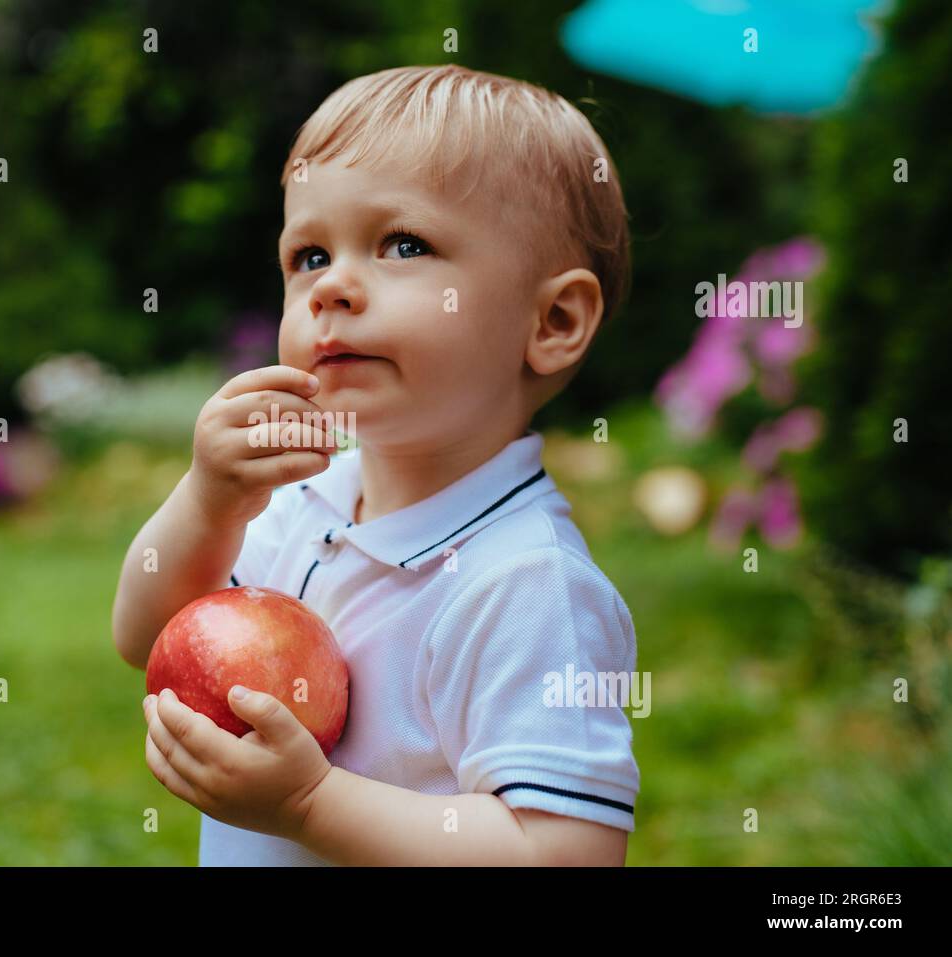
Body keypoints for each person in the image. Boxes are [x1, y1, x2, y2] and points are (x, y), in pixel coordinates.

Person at [113, 64, 638, 866]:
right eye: (310, 255)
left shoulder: (527, 584)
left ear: (554, 320)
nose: (334, 287)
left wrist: (311, 802)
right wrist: (209, 501)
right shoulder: (299, 499)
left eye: (403, 244)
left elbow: (563, 853)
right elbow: (145, 634)